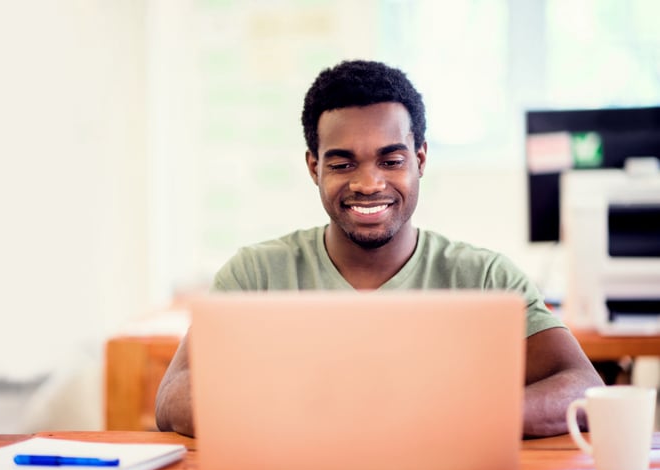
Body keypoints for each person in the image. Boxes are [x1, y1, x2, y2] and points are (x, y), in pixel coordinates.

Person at [155, 59, 604, 438]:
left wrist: (451, 422)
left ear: (420, 160)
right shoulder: (256, 273)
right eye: (342, 162)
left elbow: (584, 387)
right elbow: (174, 395)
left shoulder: (485, 277)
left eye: (391, 161)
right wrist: (315, 417)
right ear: (314, 167)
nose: (369, 184)